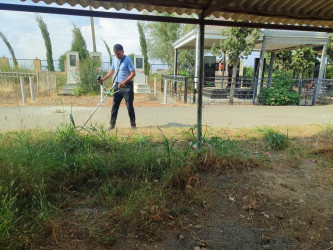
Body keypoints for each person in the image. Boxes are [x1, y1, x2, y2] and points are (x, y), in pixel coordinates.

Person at [99, 44, 136, 130]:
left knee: (129, 105)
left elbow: (133, 74)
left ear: (123, 51)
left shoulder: (128, 60)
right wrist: (103, 79)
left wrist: (124, 82)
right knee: (115, 105)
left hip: (127, 86)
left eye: (118, 53)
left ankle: (133, 125)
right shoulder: (114, 59)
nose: (117, 55)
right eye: (115, 53)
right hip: (117, 85)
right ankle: (112, 125)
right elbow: (112, 71)